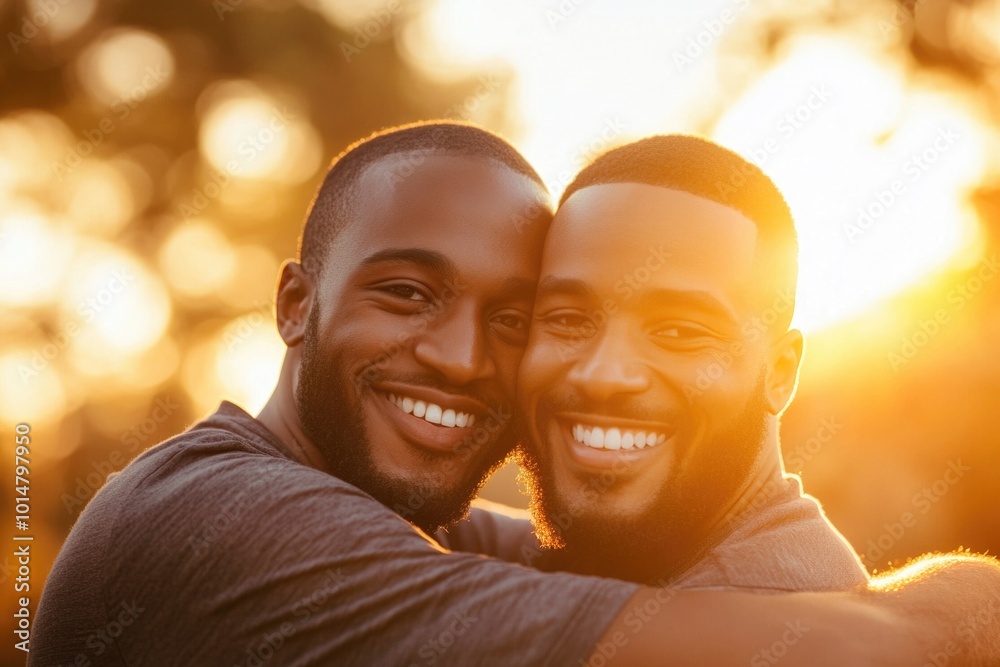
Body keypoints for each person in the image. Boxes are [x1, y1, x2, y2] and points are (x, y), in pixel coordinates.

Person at [30, 121, 1000, 666]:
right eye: (406, 292)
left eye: (511, 318)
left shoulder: (438, 538)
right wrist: (950, 605)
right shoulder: (215, 521)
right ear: (295, 301)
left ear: (781, 368)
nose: (458, 356)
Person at [516, 135, 868, 591]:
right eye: (567, 319)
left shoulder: (769, 619)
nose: (602, 375)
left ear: (779, 372)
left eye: (679, 332)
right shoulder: (642, 557)